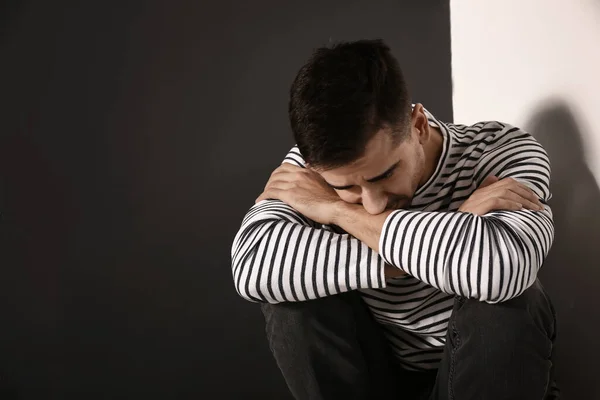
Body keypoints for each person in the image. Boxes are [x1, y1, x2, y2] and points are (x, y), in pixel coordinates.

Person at [230, 39, 559, 400]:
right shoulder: (310, 172)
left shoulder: (500, 151)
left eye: (383, 175)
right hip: (374, 374)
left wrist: (338, 210)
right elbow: (251, 267)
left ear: (417, 125)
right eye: (346, 189)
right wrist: (456, 227)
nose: (371, 204)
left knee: (510, 301)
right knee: (289, 301)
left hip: (480, 371)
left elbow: (504, 269)